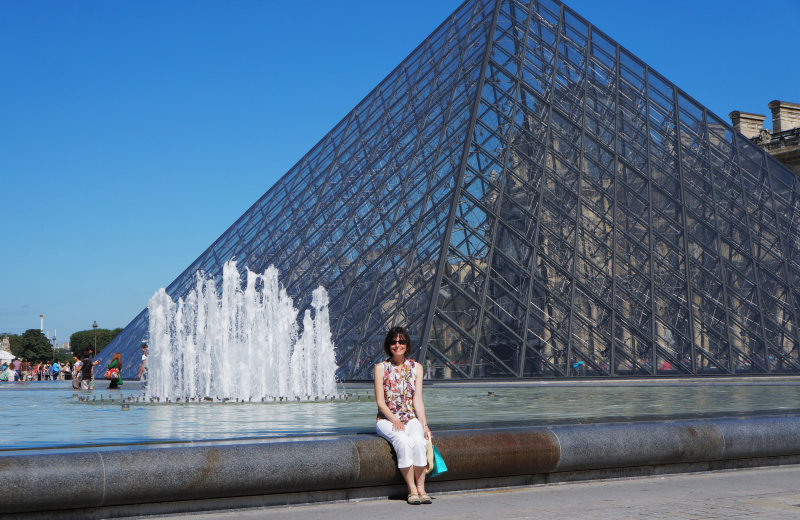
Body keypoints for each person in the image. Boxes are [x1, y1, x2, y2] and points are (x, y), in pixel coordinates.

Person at [373, 326, 432, 505]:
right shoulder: (381, 368)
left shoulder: (417, 368)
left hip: (410, 418)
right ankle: (412, 489)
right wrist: (394, 419)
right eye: (393, 342)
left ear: (407, 344)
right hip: (386, 419)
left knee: (420, 441)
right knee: (403, 441)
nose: (397, 345)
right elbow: (380, 402)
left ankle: (422, 489)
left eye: (401, 341)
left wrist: (424, 425)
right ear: (388, 345)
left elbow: (418, 400)